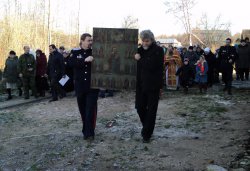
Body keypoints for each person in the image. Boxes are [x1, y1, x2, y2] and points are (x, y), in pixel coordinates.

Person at [135, 30, 164, 143]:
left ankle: (146, 134)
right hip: (140, 85)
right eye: (143, 41)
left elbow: (151, 65)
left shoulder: (158, 50)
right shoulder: (139, 50)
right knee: (139, 108)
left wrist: (140, 59)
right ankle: (147, 127)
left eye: (147, 41)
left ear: (151, 40)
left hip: (153, 86)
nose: (145, 43)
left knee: (151, 111)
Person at [70, 33, 99, 140]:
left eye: (91, 40)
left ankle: (89, 133)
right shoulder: (75, 52)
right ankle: (87, 129)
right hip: (80, 86)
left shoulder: (95, 52)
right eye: (88, 40)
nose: (91, 42)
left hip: (92, 86)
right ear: (82, 41)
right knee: (83, 110)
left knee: (90, 110)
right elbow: (71, 63)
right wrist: (84, 60)